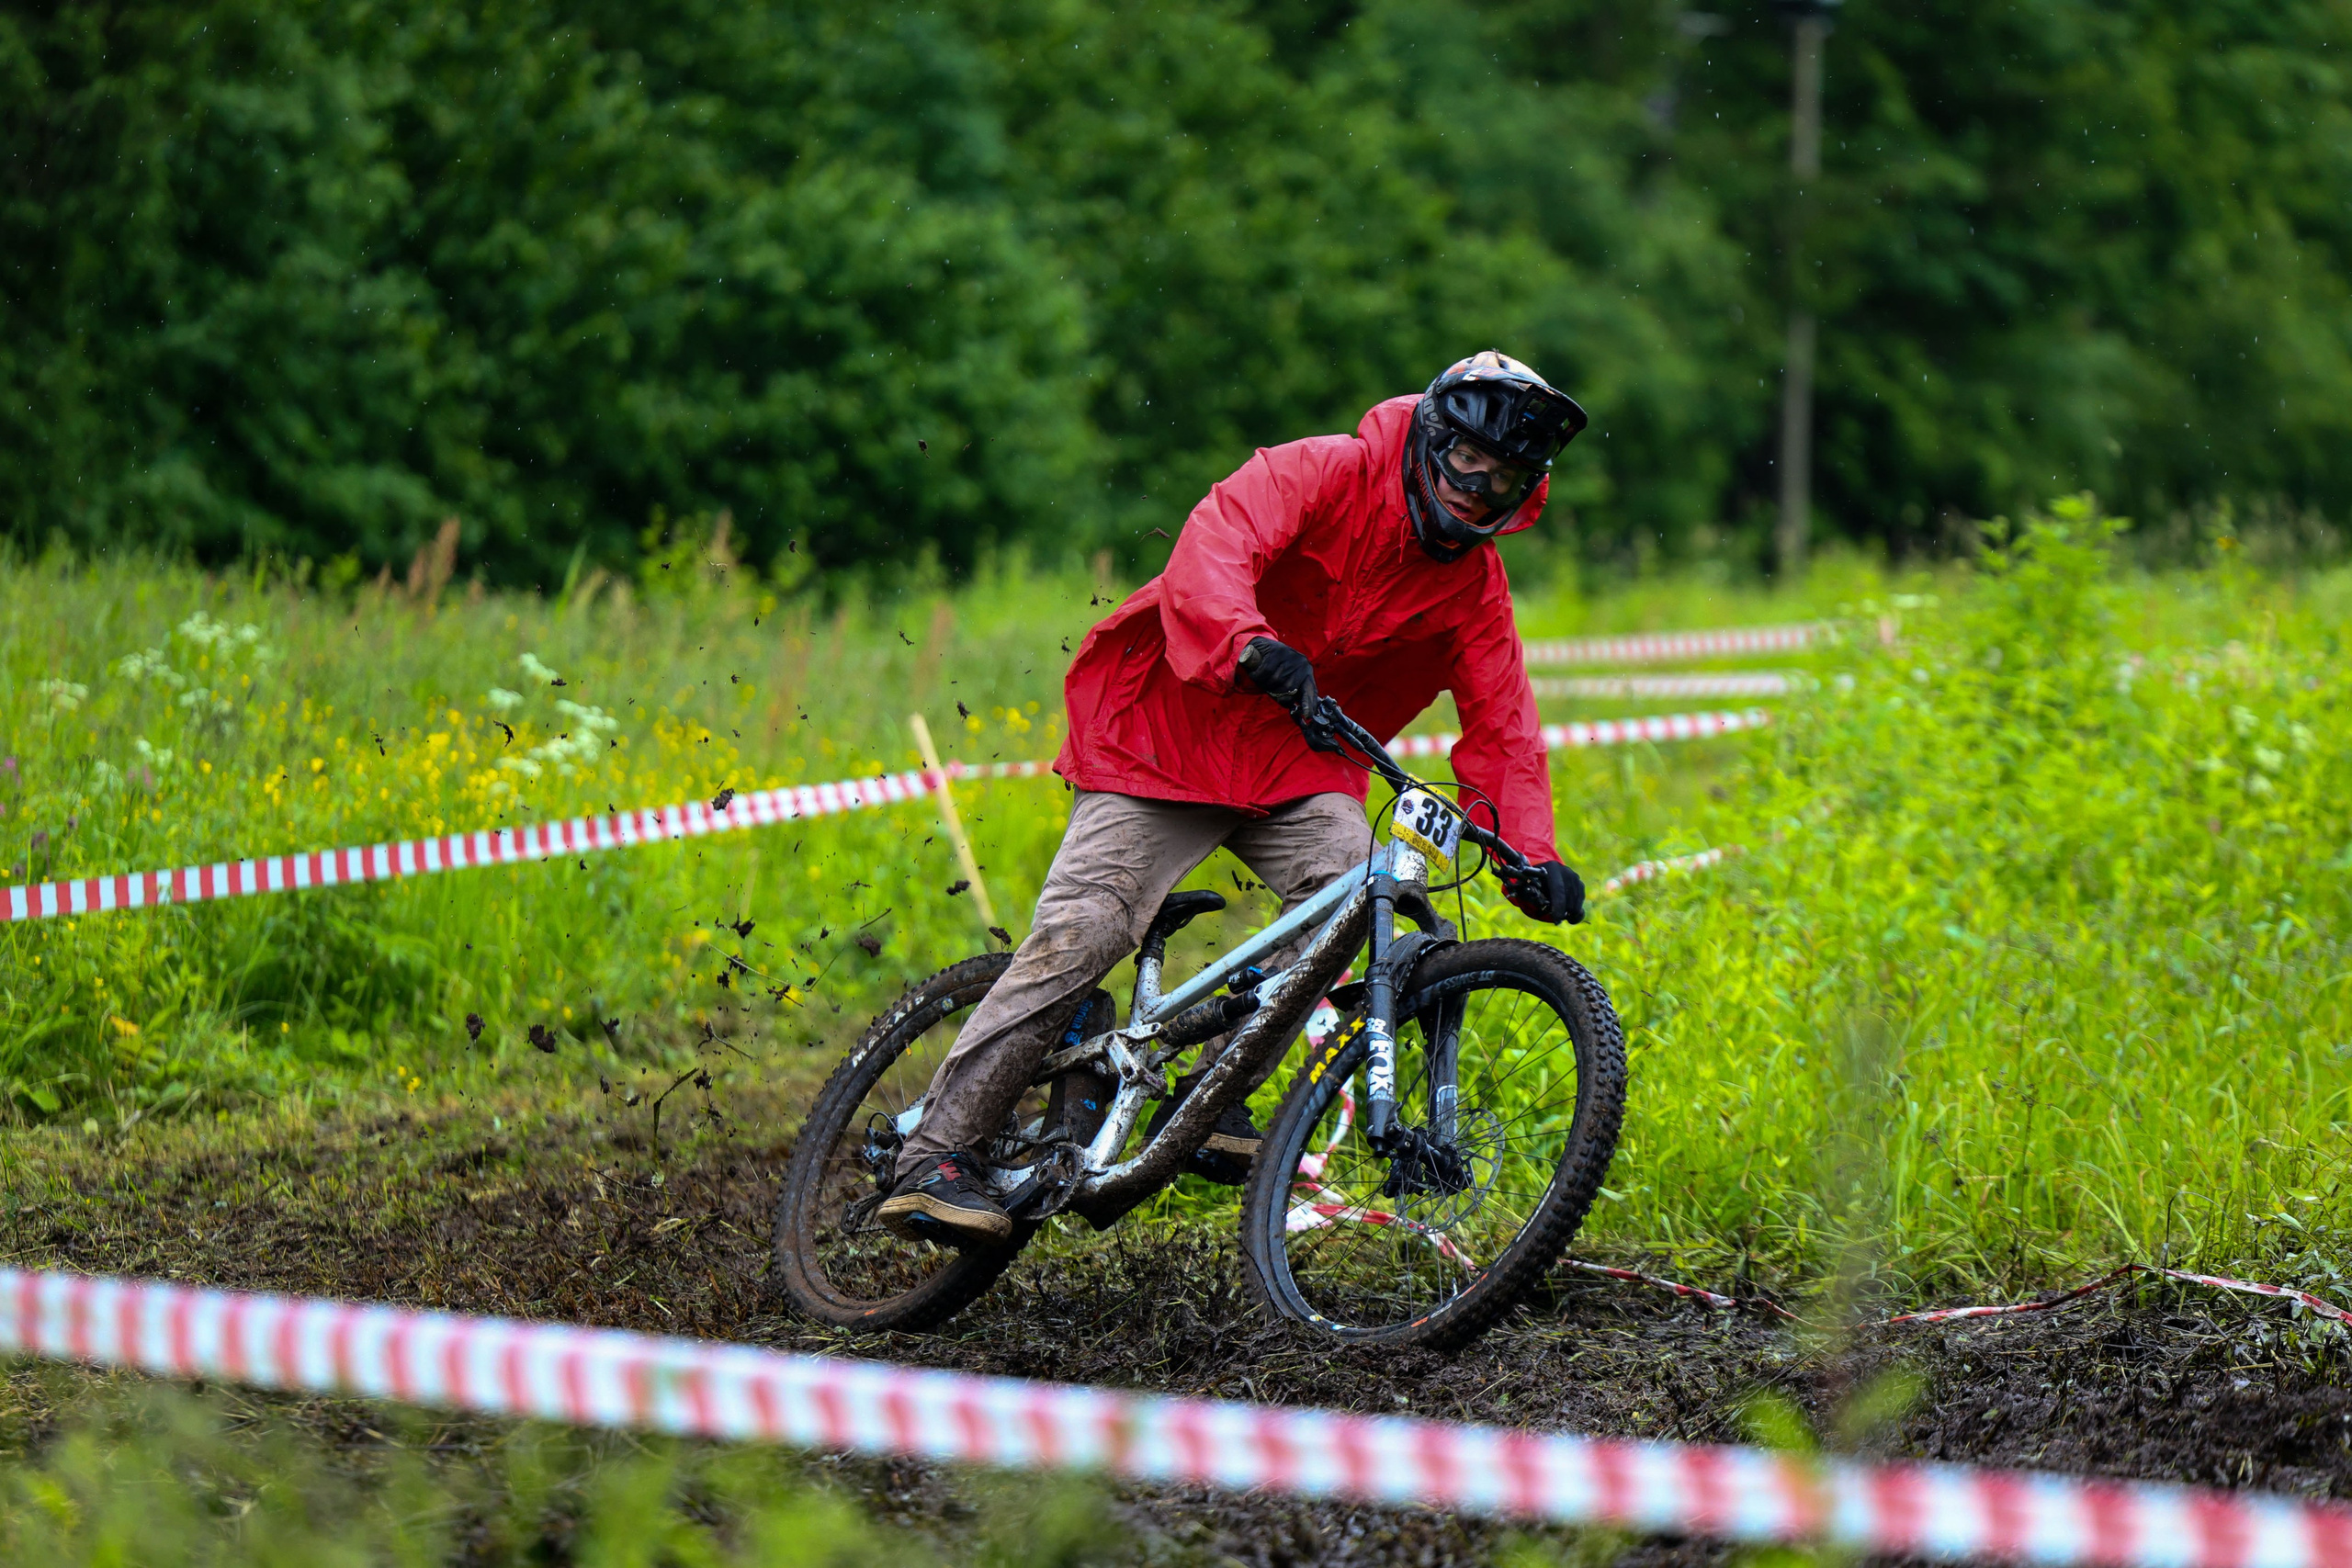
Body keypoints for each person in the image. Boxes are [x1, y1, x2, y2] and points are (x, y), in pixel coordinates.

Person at [879, 351, 1592, 1244]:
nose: (1475, 495)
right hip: (1166, 731)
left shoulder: (1473, 588)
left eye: (1503, 483)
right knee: (1091, 926)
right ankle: (934, 1155)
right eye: (1465, 467)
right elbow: (1216, 543)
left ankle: (1213, 1098)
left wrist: (1529, 852)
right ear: (1430, 442)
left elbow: (1505, 726)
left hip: (1295, 765)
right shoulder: (1324, 470)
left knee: (1368, 901)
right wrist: (1249, 642)